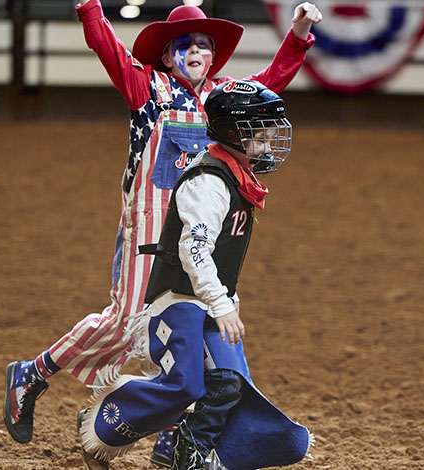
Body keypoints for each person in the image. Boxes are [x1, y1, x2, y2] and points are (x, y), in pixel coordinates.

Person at [3, 1, 321, 467]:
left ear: (214, 57)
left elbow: (269, 86)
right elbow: (110, 51)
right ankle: (32, 373)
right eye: (185, 44)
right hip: (149, 223)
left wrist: (297, 36)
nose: (196, 50)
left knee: (183, 329)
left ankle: (170, 434)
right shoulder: (148, 88)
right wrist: (91, 8)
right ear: (168, 57)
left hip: (198, 229)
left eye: (204, 44)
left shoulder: (224, 96)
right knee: (129, 320)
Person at [76, 79, 310, 470]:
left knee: (231, 384)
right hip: (180, 300)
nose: (269, 148)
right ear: (234, 133)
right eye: (261, 139)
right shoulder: (209, 181)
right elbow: (194, 248)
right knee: (191, 385)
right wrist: (222, 304)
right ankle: (109, 425)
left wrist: (224, 301)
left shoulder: (235, 177)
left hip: (210, 301)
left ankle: (192, 450)